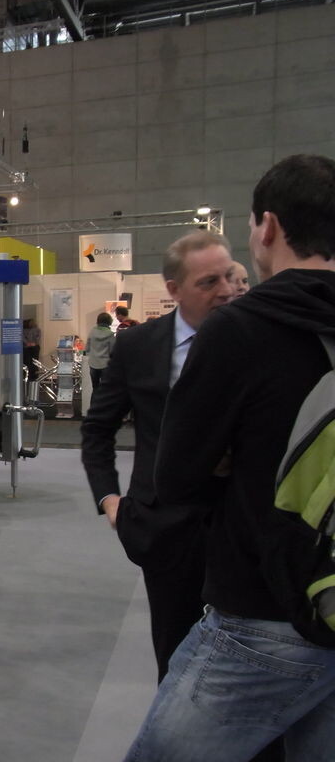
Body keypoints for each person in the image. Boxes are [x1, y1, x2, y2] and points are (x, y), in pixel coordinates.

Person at [125, 155, 335, 761]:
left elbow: (178, 477)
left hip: (265, 611)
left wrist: (234, 455)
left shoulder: (242, 329)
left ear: (268, 227)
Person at [81, 230, 235, 683]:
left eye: (228, 276)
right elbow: (98, 429)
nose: (225, 290)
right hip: (166, 529)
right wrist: (109, 499)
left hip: (242, 524)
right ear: (174, 289)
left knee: (242, 655)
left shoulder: (253, 337)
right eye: (209, 282)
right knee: (175, 653)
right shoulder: (138, 346)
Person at [85, 312, 115, 390]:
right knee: (105, 389)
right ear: (109, 322)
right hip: (105, 365)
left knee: (95, 387)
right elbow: (112, 351)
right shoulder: (111, 335)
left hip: (93, 364)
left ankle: (94, 398)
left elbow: (87, 348)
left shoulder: (92, 332)